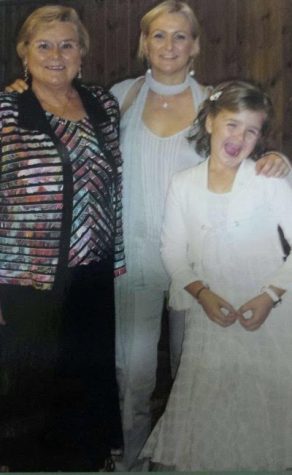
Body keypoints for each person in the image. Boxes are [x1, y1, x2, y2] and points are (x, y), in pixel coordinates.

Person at [6, 1, 290, 470]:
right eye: (159, 35)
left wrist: (272, 157)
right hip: (131, 259)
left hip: (197, 268)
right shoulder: (115, 97)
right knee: (131, 377)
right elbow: (56, 105)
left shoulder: (214, 102)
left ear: (196, 45)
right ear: (143, 43)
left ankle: (191, 457)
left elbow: (244, 137)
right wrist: (23, 88)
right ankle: (129, 460)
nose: (170, 45)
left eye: (181, 36)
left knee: (191, 372)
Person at [141, 80, 292, 471]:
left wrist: (270, 295)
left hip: (269, 314)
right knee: (213, 405)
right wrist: (201, 294)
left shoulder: (268, 181)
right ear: (209, 121)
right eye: (231, 124)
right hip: (212, 315)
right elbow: (173, 251)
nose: (239, 137)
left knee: (266, 407)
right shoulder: (183, 185)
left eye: (252, 130)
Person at [0, 5, 124, 472]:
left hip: (92, 270)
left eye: (67, 44)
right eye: (44, 44)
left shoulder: (101, 105)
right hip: (26, 275)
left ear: (82, 54)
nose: (56, 54)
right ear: (24, 52)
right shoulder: (7, 111)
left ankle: (85, 460)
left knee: (86, 374)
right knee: (31, 380)